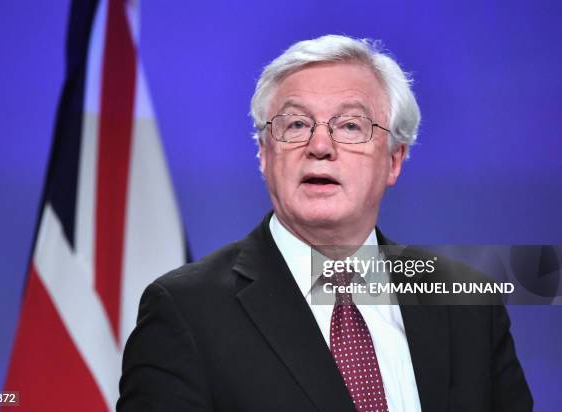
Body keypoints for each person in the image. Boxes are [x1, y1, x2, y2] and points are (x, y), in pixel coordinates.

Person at [117, 35, 532, 411]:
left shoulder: (467, 303)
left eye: (350, 126)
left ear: (394, 159)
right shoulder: (186, 311)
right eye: (295, 125)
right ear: (263, 154)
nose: (319, 146)